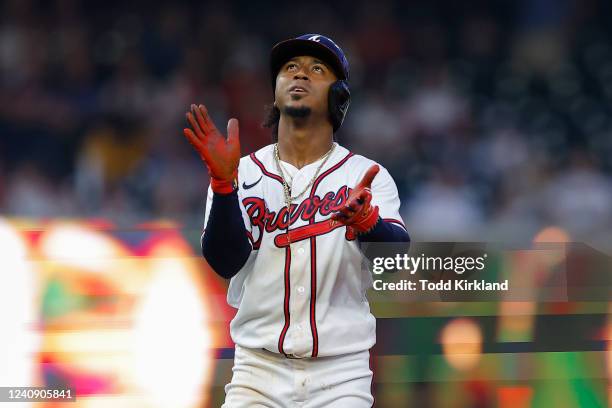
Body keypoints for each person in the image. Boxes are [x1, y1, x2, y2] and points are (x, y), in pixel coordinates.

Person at [183, 34, 410, 408]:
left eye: (316, 70)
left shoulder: (366, 174)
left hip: (341, 375)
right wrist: (224, 186)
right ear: (275, 93)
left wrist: (368, 222)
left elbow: (397, 264)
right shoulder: (241, 171)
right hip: (257, 372)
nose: (299, 75)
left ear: (339, 97)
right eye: (290, 69)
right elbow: (225, 261)